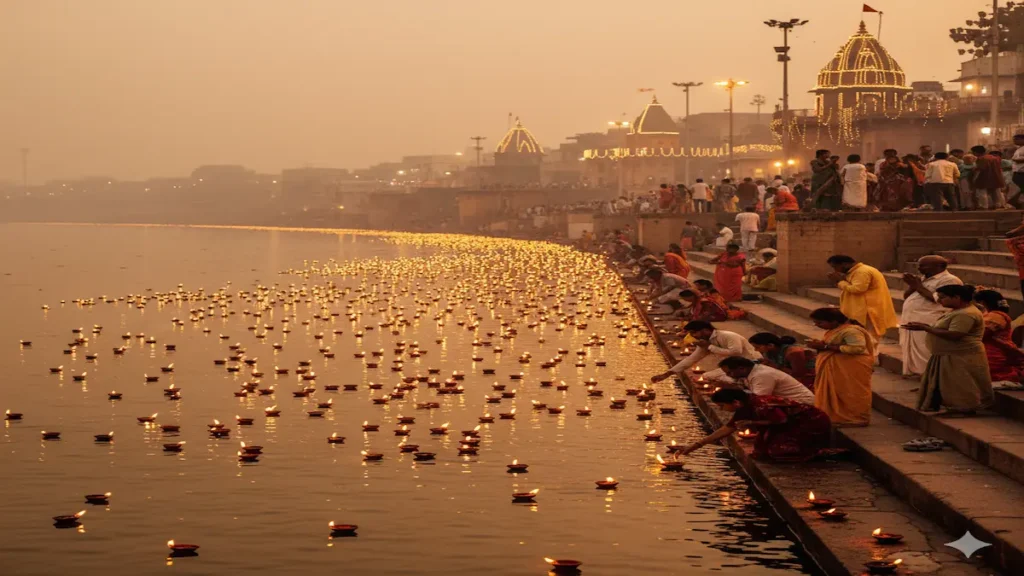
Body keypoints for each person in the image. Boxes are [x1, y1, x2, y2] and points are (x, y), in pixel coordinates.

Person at [673, 388, 832, 462]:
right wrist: (694, 446)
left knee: (778, 452)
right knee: (760, 452)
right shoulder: (744, 407)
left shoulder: (761, 404)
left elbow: (782, 420)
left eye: (722, 406)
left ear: (735, 402)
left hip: (810, 423)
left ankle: (818, 452)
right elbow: (726, 429)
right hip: (787, 425)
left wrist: (752, 422)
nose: (722, 409)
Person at [905, 285, 994, 415]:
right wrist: (925, 327)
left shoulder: (967, 314)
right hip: (949, 354)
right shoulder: (956, 311)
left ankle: (965, 409)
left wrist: (926, 328)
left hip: (961, 355)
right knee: (949, 385)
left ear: (957, 297)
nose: (939, 301)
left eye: (943, 297)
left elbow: (955, 334)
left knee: (960, 384)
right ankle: (955, 407)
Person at [805, 307, 874, 427]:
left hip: (851, 367)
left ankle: (855, 419)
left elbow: (857, 348)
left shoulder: (851, 331)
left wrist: (825, 347)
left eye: (820, 322)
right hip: (838, 368)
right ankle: (836, 417)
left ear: (834, 321)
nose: (817, 325)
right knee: (838, 392)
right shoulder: (837, 329)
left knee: (850, 392)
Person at [899, 256, 963, 378]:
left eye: (923, 265)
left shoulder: (950, 280)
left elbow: (939, 300)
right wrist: (912, 286)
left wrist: (918, 286)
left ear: (939, 267)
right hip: (912, 319)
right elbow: (906, 296)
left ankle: (930, 377)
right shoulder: (923, 279)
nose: (919, 268)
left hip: (930, 320)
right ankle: (919, 374)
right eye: (918, 265)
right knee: (912, 349)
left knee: (926, 350)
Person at [649, 321, 760, 382]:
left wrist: (710, 347)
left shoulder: (727, 336)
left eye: (694, 333)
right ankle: (739, 380)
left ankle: (741, 381)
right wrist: (666, 374)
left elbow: (736, 352)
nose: (693, 336)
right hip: (731, 367)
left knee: (724, 378)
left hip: (751, 363)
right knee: (707, 376)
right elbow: (691, 359)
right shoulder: (705, 342)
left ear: (706, 330)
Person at [827, 254, 898, 344]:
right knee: (863, 338)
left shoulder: (861, 272)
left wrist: (840, 281)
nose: (835, 270)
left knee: (868, 339)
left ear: (844, 264)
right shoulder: (856, 271)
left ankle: (869, 357)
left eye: (835, 267)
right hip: (862, 311)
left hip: (867, 312)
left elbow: (857, 289)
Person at [973, 289, 1024, 383]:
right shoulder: (990, 315)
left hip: (994, 354)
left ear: (982, 303)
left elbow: (978, 334)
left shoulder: (996, 317)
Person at [717, 357, 816, 404]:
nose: (728, 375)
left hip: (802, 403)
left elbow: (759, 399)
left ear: (742, 368)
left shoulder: (761, 375)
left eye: (729, 372)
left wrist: (733, 390)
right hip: (786, 402)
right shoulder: (750, 372)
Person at [748, 332, 817, 390]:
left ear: (770, 345)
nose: (756, 350)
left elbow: (799, 374)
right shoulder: (768, 351)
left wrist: (775, 366)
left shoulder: (793, 352)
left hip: (809, 379)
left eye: (757, 347)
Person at [971, 145, 1006, 210]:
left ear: (976, 152)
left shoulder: (981, 158)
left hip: (984, 177)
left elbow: (980, 169)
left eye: (973, 152)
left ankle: (983, 206)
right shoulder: (995, 158)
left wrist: (974, 177)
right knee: (995, 193)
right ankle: (998, 205)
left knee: (982, 193)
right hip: (996, 177)